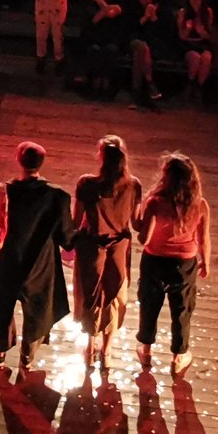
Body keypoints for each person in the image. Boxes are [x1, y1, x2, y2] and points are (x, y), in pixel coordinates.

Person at [0, 140, 77, 375]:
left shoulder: (4, 193)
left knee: (3, 307)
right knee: (38, 310)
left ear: (18, 160)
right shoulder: (57, 197)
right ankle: (27, 358)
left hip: (9, 260)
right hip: (40, 264)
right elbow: (66, 238)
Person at [72, 135, 143, 379]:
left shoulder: (87, 184)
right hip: (119, 247)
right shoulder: (133, 185)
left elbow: (75, 220)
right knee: (114, 295)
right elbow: (136, 222)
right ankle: (107, 349)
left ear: (101, 157)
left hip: (91, 244)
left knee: (90, 295)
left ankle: (90, 346)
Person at [135, 152, 211, 375]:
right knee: (182, 308)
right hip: (183, 262)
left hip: (154, 259)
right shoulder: (200, 205)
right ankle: (179, 355)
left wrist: (137, 216)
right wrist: (205, 261)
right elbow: (203, 238)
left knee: (149, 303)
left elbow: (143, 238)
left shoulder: (155, 202)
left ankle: (146, 349)